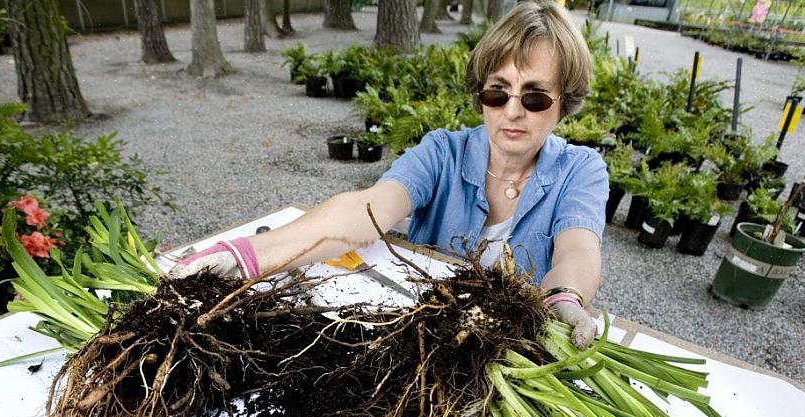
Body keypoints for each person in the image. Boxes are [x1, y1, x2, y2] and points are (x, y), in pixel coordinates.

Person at [171, 0, 608, 348]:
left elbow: (578, 250)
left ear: (564, 100)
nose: (511, 111)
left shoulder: (581, 170)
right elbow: (367, 210)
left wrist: (563, 298)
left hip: (509, 350)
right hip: (427, 339)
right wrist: (246, 255)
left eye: (534, 97)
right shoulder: (443, 151)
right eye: (497, 92)